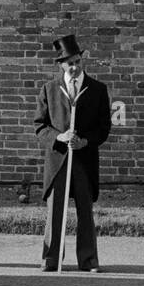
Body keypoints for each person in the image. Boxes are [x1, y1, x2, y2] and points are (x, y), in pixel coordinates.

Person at [33, 34, 112, 272]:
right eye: (70, 63)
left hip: (84, 160)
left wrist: (85, 142)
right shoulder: (49, 90)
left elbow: (103, 127)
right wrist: (59, 137)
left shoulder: (97, 89)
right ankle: (51, 258)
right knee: (55, 211)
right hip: (58, 161)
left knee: (85, 211)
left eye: (78, 61)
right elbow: (40, 126)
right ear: (60, 65)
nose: (75, 67)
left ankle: (88, 260)